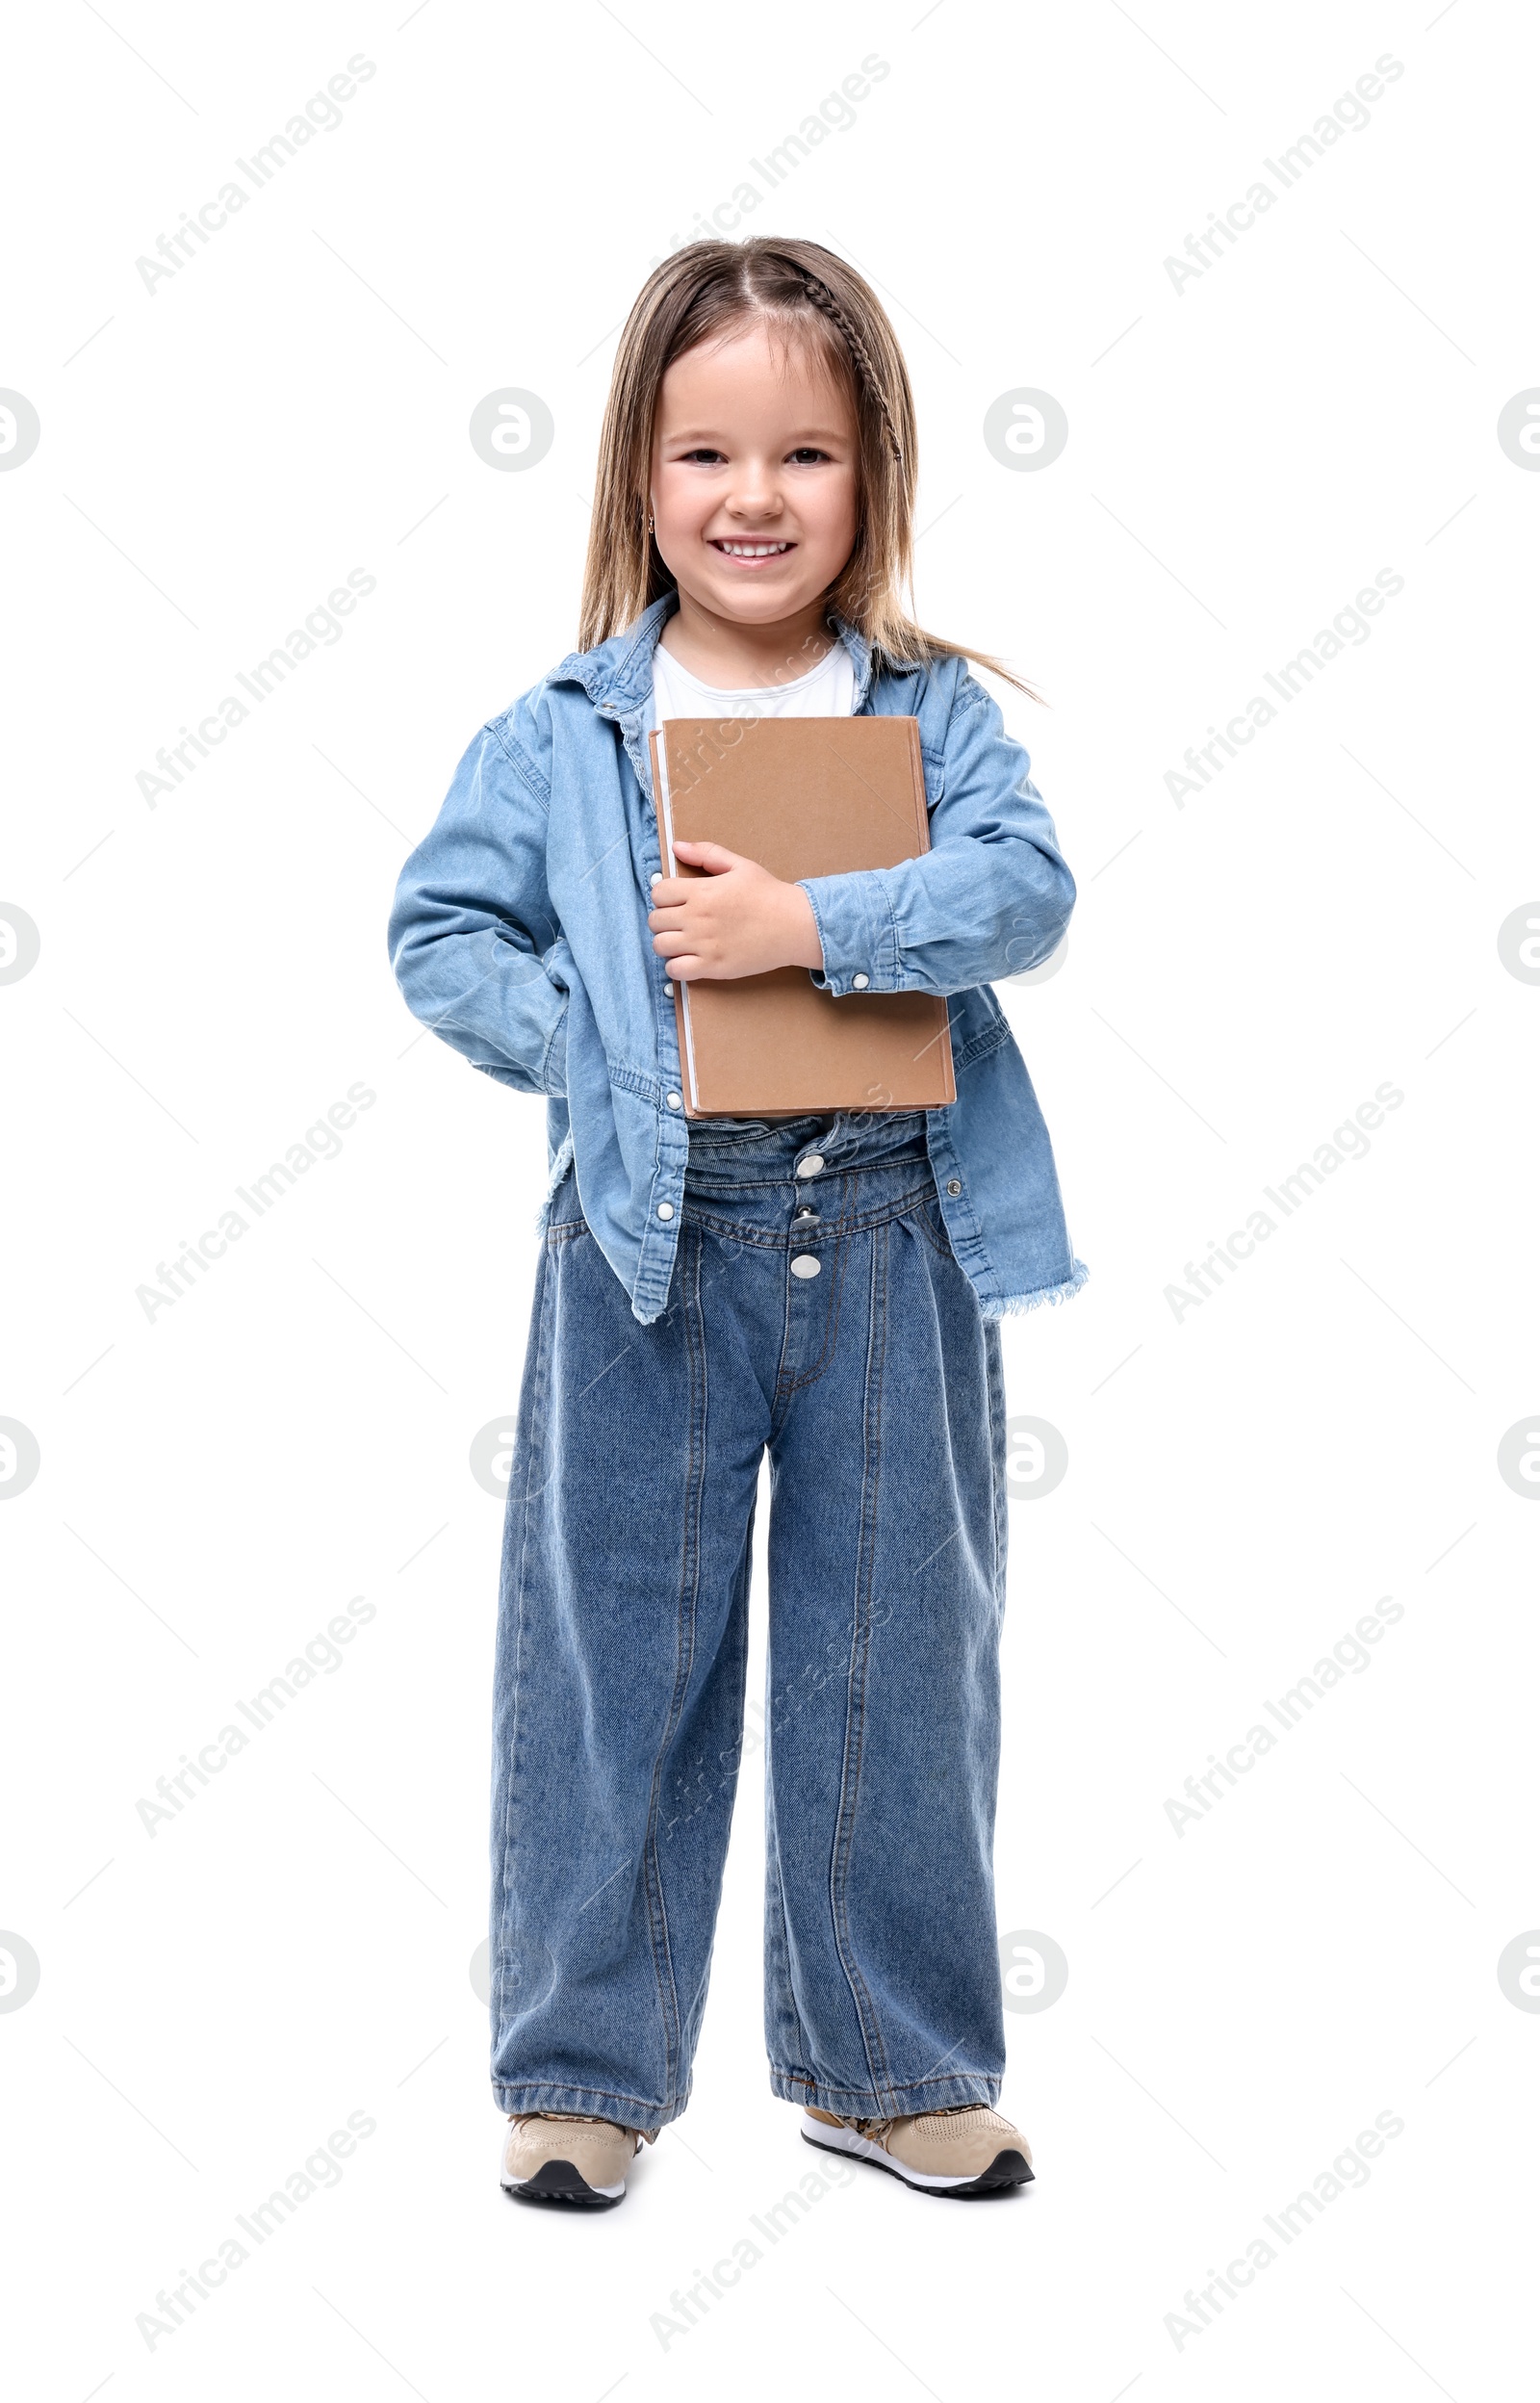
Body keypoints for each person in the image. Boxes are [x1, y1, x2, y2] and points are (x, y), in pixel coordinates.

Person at [387, 237, 1086, 2209]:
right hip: (644, 1239)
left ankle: (888, 2063)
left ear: (872, 475)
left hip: (889, 1234)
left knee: (896, 1654)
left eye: (803, 453)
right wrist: (603, 1035)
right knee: (616, 1654)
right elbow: (438, 934)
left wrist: (811, 929)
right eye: (704, 455)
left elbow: (1022, 892)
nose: (753, 498)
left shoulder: (926, 715)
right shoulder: (562, 733)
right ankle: (584, 2072)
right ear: (637, 479)